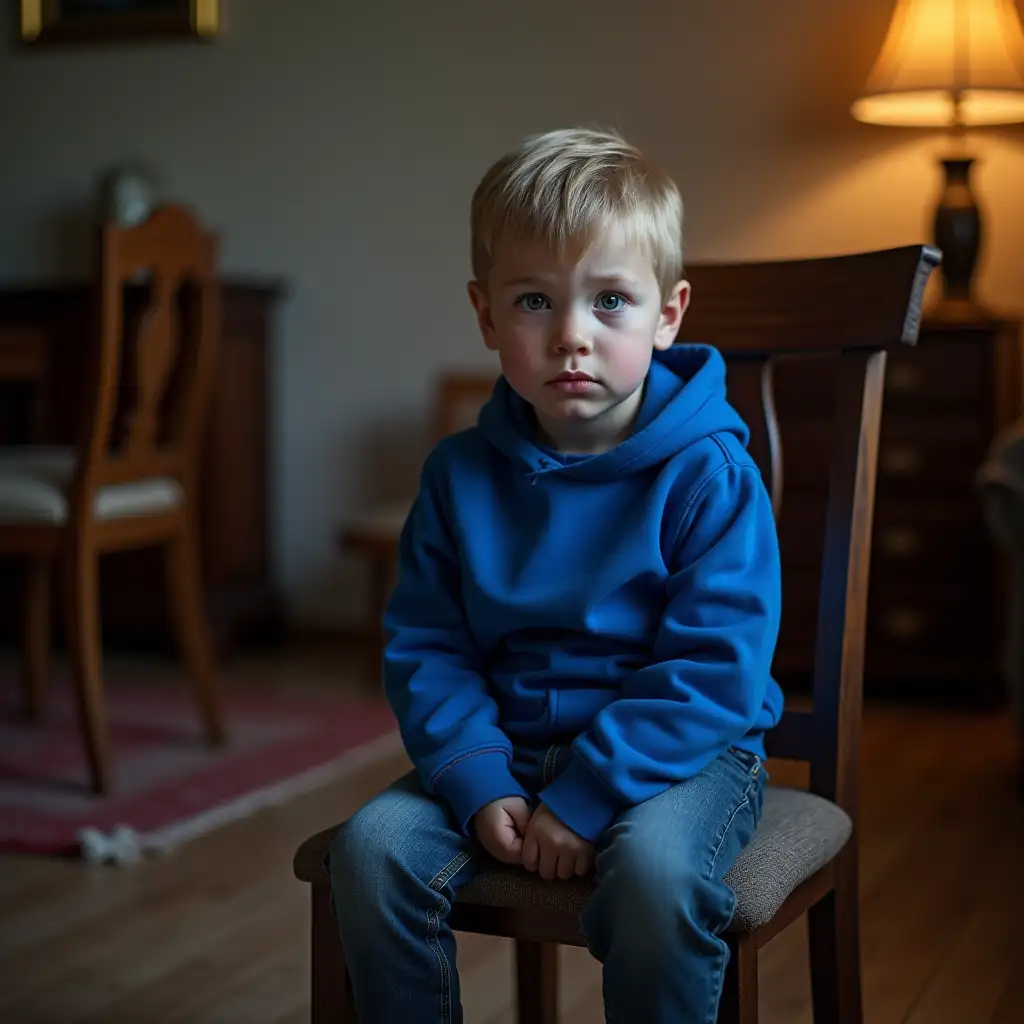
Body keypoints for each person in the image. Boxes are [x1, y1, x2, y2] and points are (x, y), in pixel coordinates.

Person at [329, 126, 784, 1024]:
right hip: (506, 750)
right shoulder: (457, 476)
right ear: (486, 313)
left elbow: (715, 671)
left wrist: (586, 797)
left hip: (679, 759)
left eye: (610, 301)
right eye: (535, 300)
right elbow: (428, 643)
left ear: (668, 313)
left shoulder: (709, 475)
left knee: (656, 878)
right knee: (372, 851)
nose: (572, 336)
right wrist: (478, 776)